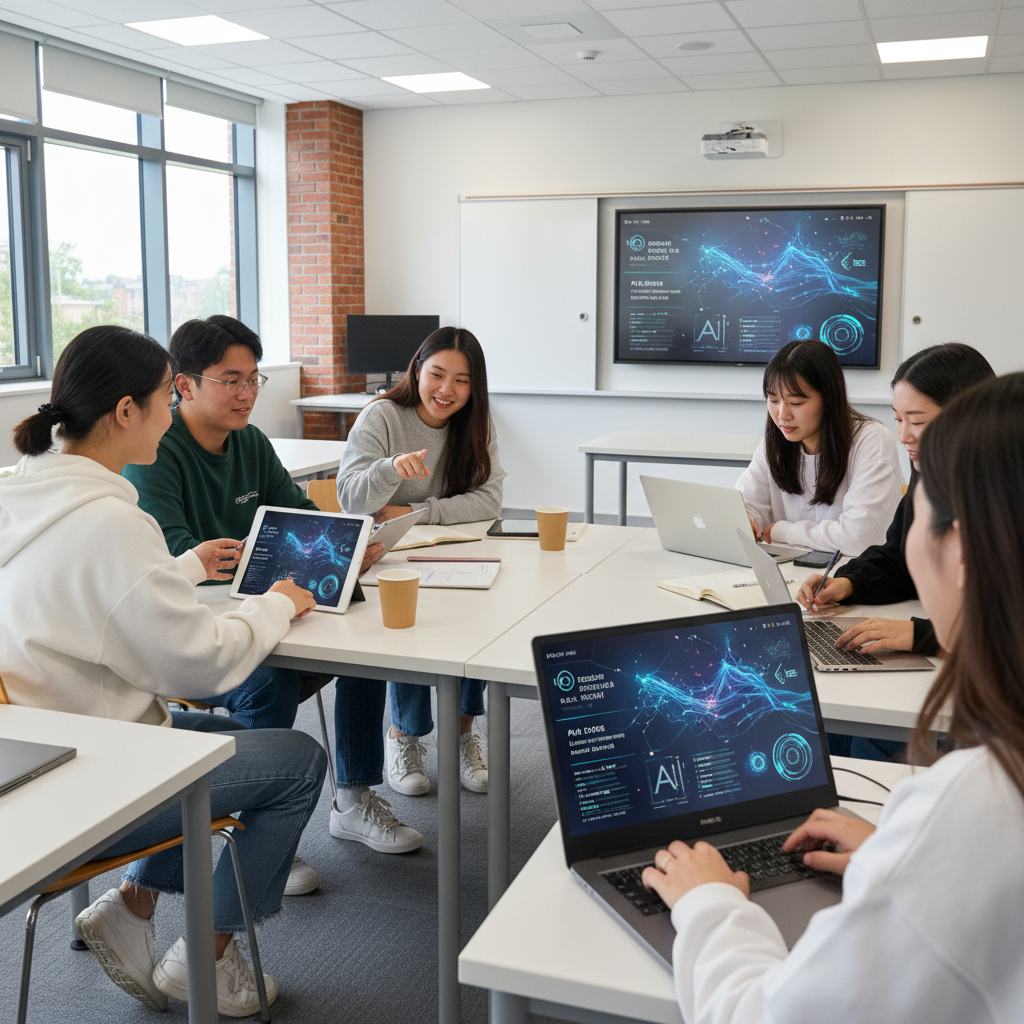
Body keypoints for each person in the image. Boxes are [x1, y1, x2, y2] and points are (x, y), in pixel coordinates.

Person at [641, 371, 1024, 1024]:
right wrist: (901, 859)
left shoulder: (983, 801)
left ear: (960, 547)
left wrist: (710, 904)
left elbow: (770, 1016)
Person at [0, 325, 327, 1017]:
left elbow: (82, 599)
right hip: (95, 777)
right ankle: (203, 960)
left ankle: (132, 906)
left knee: (209, 737)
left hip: (37, 746)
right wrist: (273, 605)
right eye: (160, 399)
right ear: (126, 412)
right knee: (296, 761)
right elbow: (203, 663)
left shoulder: (25, 494)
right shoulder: (111, 523)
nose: (168, 415)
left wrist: (177, 567)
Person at [123, 315, 389, 881]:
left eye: (253, 379)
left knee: (370, 642)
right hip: (200, 631)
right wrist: (272, 565)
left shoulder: (251, 442)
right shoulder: (154, 452)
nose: (246, 394)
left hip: (270, 608)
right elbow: (177, 557)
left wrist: (348, 546)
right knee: (269, 679)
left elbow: (300, 515)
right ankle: (256, 839)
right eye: (230, 380)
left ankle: (354, 798)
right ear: (184, 384)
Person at [334, 326, 505, 834]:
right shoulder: (381, 416)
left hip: (453, 549)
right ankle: (403, 737)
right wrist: (389, 468)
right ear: (417, 370)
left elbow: (489, 501)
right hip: (386, 558)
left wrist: (416, 508)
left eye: (462, 380)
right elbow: (351, 499)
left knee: (476, 617)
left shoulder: (476, 425)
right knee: (414, 627)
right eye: (437, 374)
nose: (446, 389)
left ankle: (464, 733)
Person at [796, 343, 995, 762]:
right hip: (950, 668)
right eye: (898, 418)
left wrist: (921, 635)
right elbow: (897, 554)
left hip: (984, 691)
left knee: (874, 739)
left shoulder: (1002, 493)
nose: (904, 436)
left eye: (918, 421)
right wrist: (847, 584)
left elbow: (1004, 620)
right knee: (821, 721)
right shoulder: (929, 469)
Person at [736, 339, 904, 556]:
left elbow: (860, 537)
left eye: (796, 403)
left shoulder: (870, 440)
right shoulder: (774, 442)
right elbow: (744, 506)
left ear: (829, 399)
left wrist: (784, 532)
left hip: (849, 577)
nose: (782, 415)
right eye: (773, 399)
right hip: (793, 573)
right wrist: (746, 519)